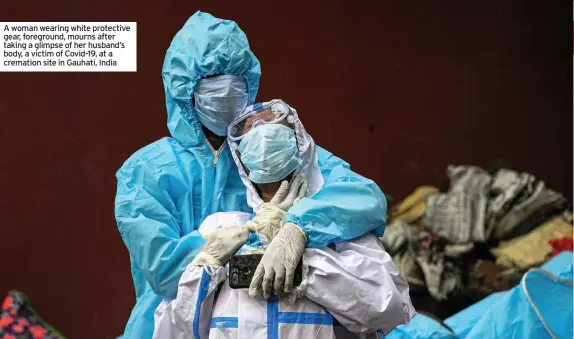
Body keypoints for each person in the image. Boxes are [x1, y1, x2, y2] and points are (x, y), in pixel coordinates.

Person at [115, 12, 387, 339]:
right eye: (213, 78)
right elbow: (164, 271)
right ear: (183, 86)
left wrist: (299, 227)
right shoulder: (146, 170)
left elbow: (364, 198)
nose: (227, 89)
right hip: (174, 327)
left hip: (274, 325)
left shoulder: (268, 148)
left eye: (236, 78)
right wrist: (232, 246)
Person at [151, 100, 415, 338]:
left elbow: (389, 309)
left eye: (271, 118)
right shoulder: (221, 227)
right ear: (241, 161)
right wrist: (202, 272)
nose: (260, 126)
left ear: (298, 141)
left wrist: (303, 263)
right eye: (248, 127)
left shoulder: (340, 229)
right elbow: (172, 332)